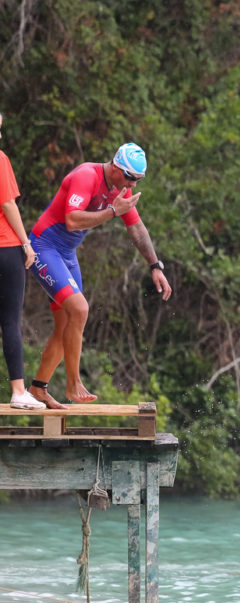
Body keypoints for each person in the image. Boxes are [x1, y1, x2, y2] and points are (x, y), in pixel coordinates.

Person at [26, 142, 172, 408]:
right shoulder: (87, 176)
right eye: (132, 178)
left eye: (139, 180)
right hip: (43, 246)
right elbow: (72, 220)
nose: (134, 186)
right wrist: (113, 211)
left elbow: (137, 228)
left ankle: (38, 388)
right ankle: (73, 383)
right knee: (80, 310)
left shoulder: (120, 188)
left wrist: (155, 266)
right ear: (116, 167)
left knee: (65, 326)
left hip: (67, 254)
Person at [0, 112, 45, 410]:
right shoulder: (0, 159)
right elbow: (7, 203)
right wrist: (27, 244)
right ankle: (18, 391)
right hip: (5, 247)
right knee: (9, 320)